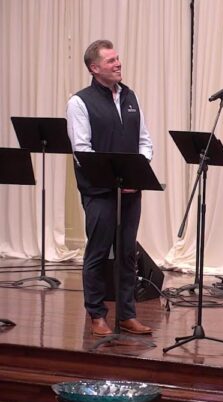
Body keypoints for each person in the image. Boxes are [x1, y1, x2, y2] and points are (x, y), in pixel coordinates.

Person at [66, 40, 154, 337]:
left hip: (131, 191)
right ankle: (96, 315)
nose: (118, 63)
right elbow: (82, 150)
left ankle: (127, 314)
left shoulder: (130, 96)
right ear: (94, 68)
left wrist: (136, 175)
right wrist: (114, 181)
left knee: (128, 253)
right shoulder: (79, 102)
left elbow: (145, 141)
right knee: (99, 252)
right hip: (99, 192)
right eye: (111, 60)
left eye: (118, 58)